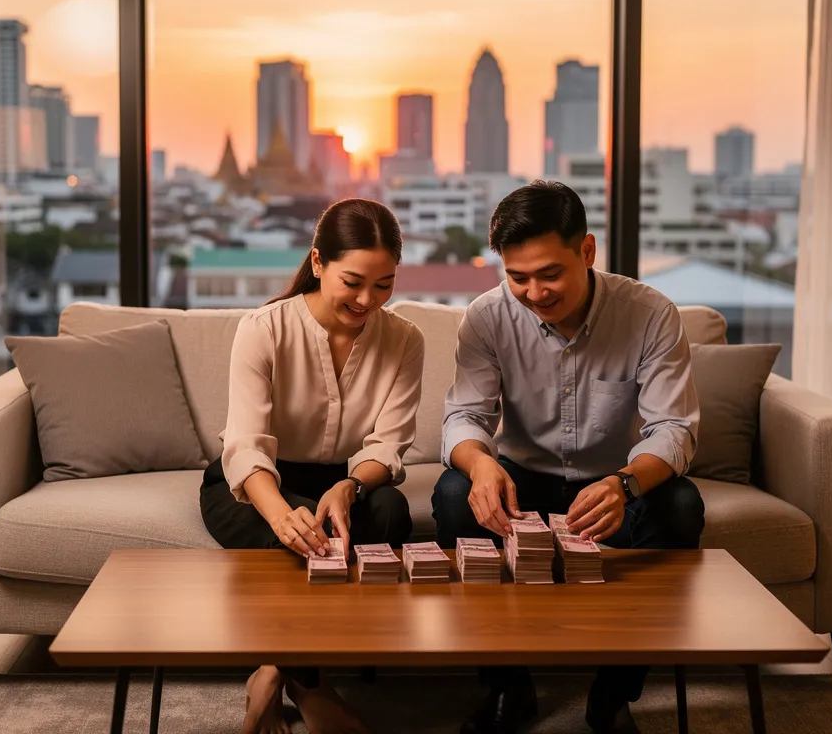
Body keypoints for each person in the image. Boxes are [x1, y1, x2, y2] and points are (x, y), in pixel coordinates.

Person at [433, 181, 704, 734]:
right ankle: (509, 687)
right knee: (453, 493)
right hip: (520, 479)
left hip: (615, 485)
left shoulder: (650, 314)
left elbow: (673, 428)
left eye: (549, 274)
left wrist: (626, 484)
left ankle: (613, 694)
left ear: (587, 252)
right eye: (517, 277)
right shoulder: (486, 317)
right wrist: (481, 464)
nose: (534, 292)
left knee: (679, 505)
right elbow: (463, 417)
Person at [200, 198, 424, 734]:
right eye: (353, 282)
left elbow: (388, 445)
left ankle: (272, 670)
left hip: (347, 481)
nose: (367, 300)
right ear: (318, 262)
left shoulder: (405, 340)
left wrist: (349, 485)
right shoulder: (264, 328)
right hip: (257, 485)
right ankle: (309, 686)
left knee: (391, 515)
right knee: (299, 538)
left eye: (384, 284)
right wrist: (281, 515)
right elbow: (247, 447)